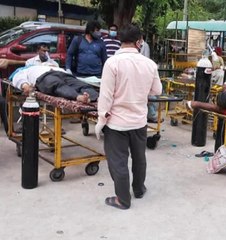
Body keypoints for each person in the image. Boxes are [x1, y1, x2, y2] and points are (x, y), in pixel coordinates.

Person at [96, 24, 162, 210]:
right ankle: (139, 189)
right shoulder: (149, 64)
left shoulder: (112, 63)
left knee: (118, 161)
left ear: (119, 40)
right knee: (139, 157)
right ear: (139, 41)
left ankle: (123, 199)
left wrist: (101, 119)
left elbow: (106, 96)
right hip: (139, 121)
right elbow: (157, 90)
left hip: (117, 123)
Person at [10, 65, 98, 103]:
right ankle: (79, 97)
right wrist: (25, 86)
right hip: (43, 77)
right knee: (57, 85)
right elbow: (19, 79)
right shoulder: (23, 71)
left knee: (82, 85)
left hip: (62, 73)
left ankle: (95, 97)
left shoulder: (44, 64)